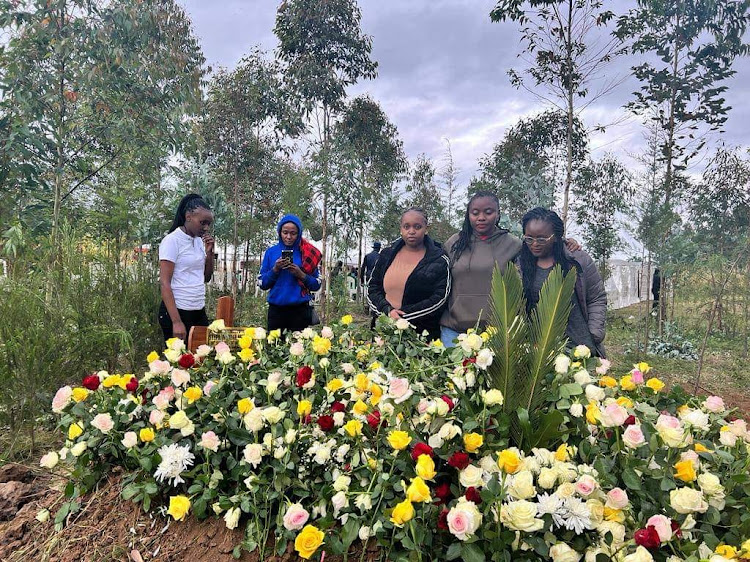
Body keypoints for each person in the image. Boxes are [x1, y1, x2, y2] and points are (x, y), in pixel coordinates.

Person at [439, 191, 581, 347]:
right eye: (475, 213)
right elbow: (433, 265)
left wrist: (565, 242)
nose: (481, 217)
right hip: (454, 331)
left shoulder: (514, 245)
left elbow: (542, 247)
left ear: (498, 214)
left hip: (497, 334)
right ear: (468, 215)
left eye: (488, 212)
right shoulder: (454, 243)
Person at [518, 207, 607, 357]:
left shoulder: (577, 260)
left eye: (541, 239)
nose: (534, 244)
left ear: (556, 236)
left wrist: (594, 333)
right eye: (529, 238)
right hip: (540, 354)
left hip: (579, 349)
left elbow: (596, 298)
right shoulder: (520, 265)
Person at [367, 208, 450, 341]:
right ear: (401, 229)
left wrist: (403, 317)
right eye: (407, 226)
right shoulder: (386, 254)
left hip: (421, 336)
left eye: (417, 227)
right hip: (384, 331)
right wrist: (387, 311)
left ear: (426, 228)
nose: (411, 231)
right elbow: (372, 288)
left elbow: (440, 298)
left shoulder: (439, 259)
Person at [158, 193, 214, 344]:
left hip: (197, 309)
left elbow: (206, 278)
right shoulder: (172, 241)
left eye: (209, 224)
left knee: (201, 360)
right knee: (179, 363)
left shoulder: (198, 241)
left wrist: (209, 253)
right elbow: (164, 283)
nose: (206, 228)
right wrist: (176, 322)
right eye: (203, 222)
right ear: (188, 216)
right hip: (177, 311)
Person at [258, 214, 321, 333]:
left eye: (293, 233)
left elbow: (316, 285)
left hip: (300, 310)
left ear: (299, 234)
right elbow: (262, 284)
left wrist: (301, 274)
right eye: (285, 232)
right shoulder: (271, 253)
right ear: (279, 232)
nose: (288, 237)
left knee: (298, 349)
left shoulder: (306, 253)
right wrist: (275, 270)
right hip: (276, 311)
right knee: (275, 348)